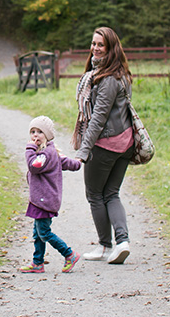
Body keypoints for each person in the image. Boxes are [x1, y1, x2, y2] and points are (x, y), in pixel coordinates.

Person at [72, 26, 135, 264]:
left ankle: (105, 246)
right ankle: (123, 242)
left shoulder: (108, 79)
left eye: (101, 45)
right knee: (111, 193)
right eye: (93, 44)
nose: (95, 48)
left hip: (106, 145)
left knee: (95, 194)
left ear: (110, 48)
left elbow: (98, 119)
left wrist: (84, 151)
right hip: (124, 143)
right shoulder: (120, 73)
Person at [19, 115, 83, 274]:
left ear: (47, 135)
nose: (35, 135)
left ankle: (69, 253)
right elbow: (68, 163)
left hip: (44, 200)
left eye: (39, 132)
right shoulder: (51, 152)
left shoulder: (44, 155)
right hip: (41, 200)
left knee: (44, 232)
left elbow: (33, 166)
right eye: (32, 131)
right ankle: (37, 262)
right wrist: (79, 162)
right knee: (37, 232)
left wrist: (29, 149)